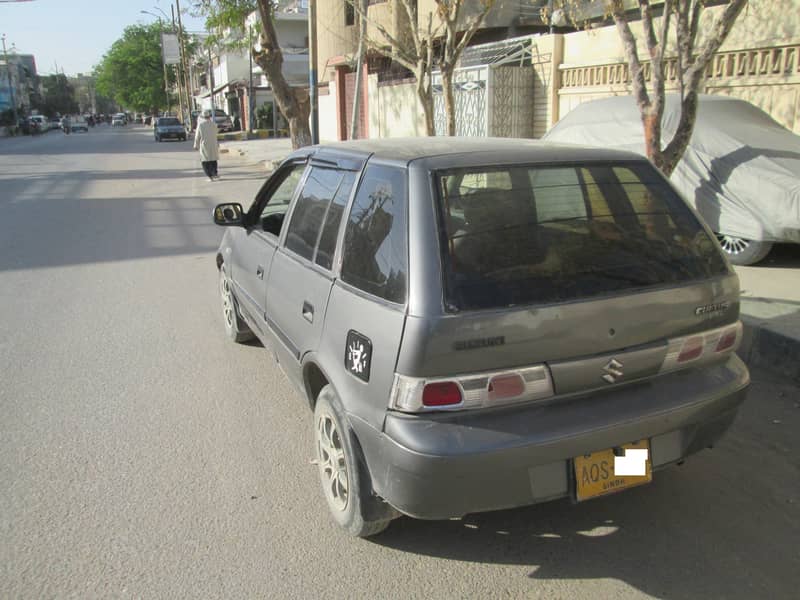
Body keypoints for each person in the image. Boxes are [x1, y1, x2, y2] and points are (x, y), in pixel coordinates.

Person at [193, 109, 220, 181]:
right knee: (213, 160)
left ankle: (210, 176)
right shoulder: (214, 124)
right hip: (213, 145)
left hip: (205, 145)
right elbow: (216, 134)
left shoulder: (201, 125)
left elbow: (197, 136)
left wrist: (196, 145)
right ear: (209, 116)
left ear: (202, 117)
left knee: (205, 161)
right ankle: (215, 173)